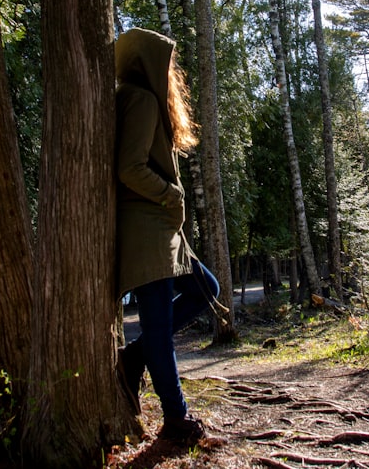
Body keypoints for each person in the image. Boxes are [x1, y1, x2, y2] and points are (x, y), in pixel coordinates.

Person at [114, 27, 220, 444]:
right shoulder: (138, 99)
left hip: (160, 227)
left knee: (204, 287)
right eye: (166, 62)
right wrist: (171, 193)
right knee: (158, 325)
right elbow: (129, 168)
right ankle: (177, 420)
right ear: (148, 63)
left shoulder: (137, 98)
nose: (171, 71)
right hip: (146, 226)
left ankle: (134, 357)